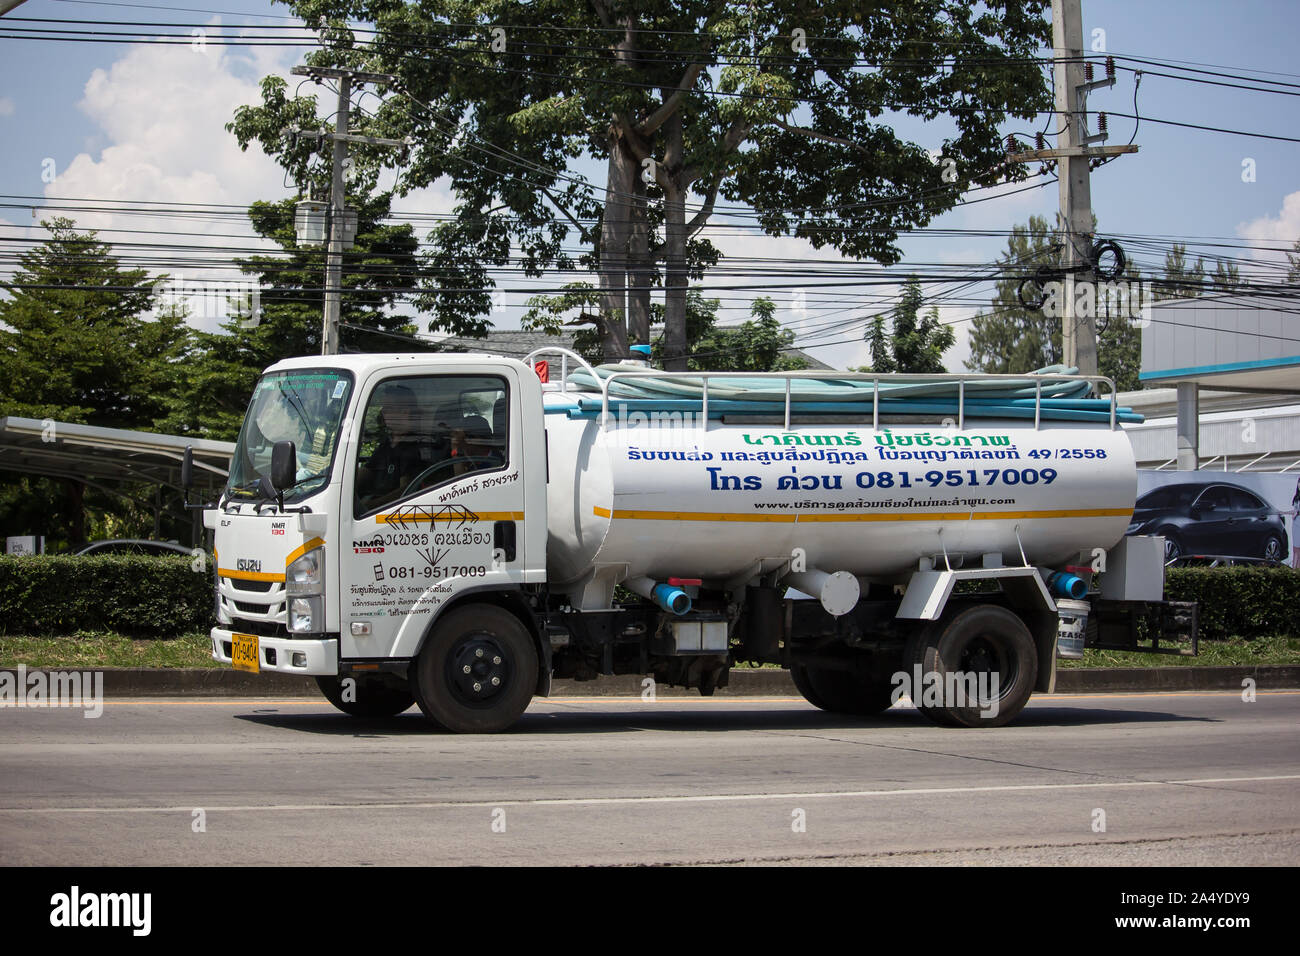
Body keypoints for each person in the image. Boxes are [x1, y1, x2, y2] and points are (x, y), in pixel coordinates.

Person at [356, 385, 450, 509]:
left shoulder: (416, 446)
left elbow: (405, 492)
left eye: (388, 408)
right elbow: (368, 470)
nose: (382, 412)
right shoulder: (388, 442)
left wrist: (370, 506)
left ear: (405, 412)